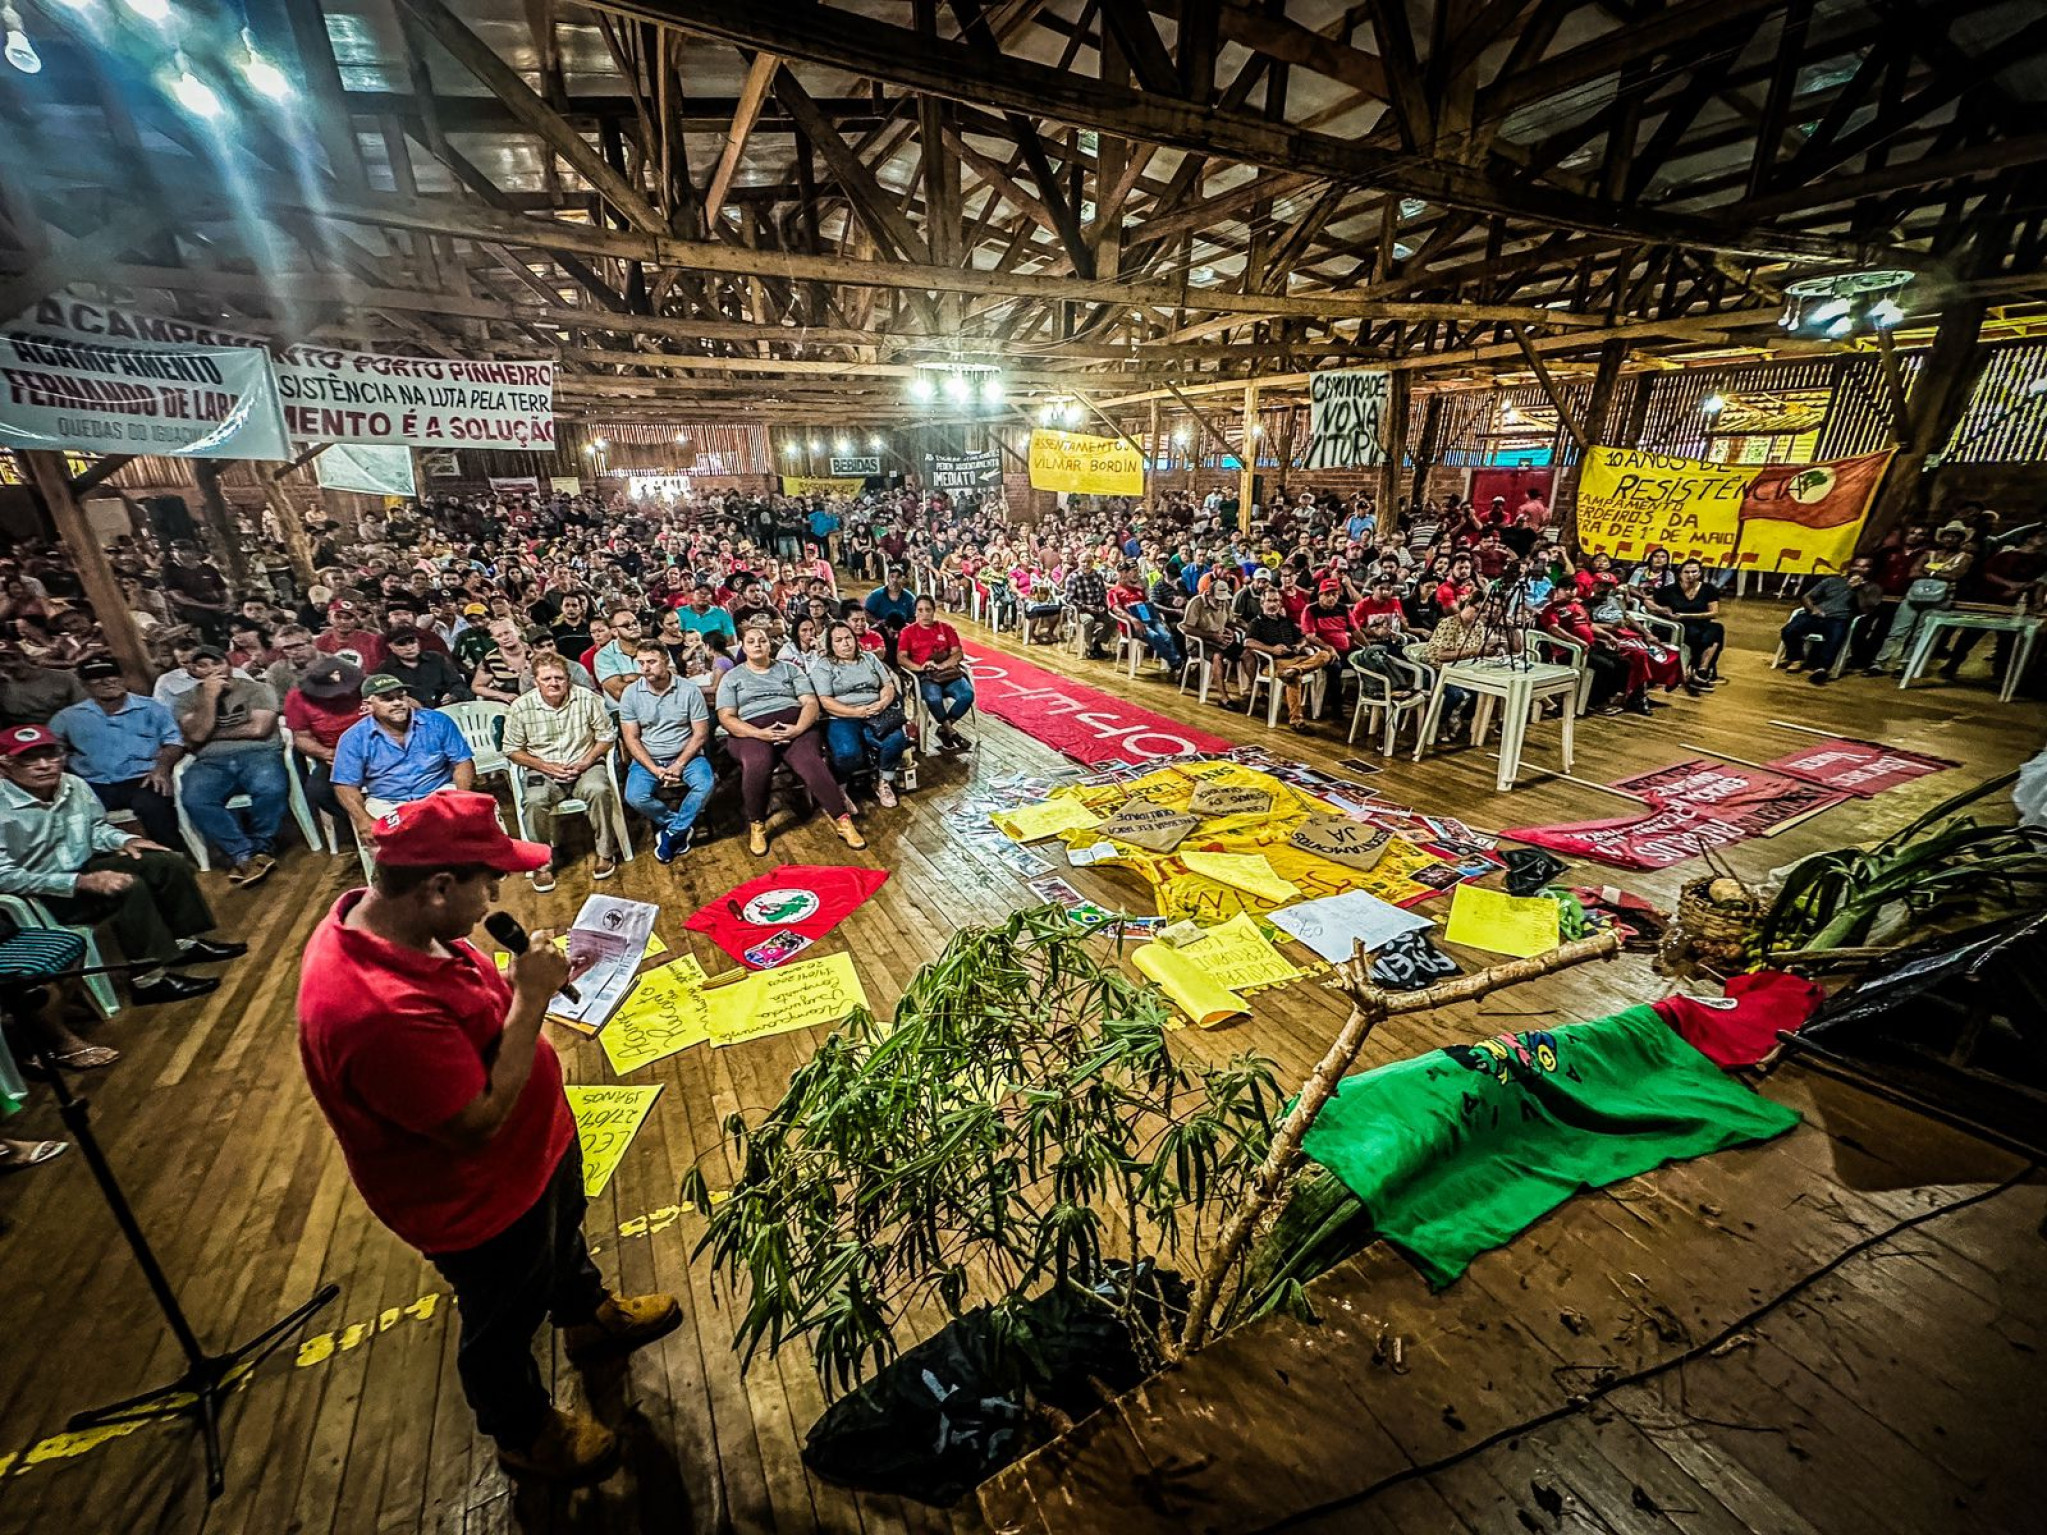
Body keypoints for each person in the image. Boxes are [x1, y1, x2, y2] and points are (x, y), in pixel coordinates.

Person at [296, 792, 680, 1486]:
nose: (496, 895)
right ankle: (523, 1431)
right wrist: (530, 999)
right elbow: (472, 1123)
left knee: (563, 1244)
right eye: (488, 881)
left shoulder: (404, 920)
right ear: (438, 885)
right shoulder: (372, 1007)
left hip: (535, 1154)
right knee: (502, 1321)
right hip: (478, 1199)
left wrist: (511, 991)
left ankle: (589, 1318)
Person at [0, 725, 244, 1005]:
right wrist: (80, 882)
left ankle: (182, 943)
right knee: (126, 886)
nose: (44, 766)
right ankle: (148, 980)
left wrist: (126, 840)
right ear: (5, 765)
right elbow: (4, 876)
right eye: (29, 759)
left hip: (83, 866)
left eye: (51, 755)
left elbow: (95, 829)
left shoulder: (72, 784)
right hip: (43, 893)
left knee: (167, 862)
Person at [715, 626, 865, 856]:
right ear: (743, 647)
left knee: (810, 762)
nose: (757, 645)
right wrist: (759, 734)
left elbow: (810, 703)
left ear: (769, 644)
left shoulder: (789, 670)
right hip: (751, 730)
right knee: (757, 763)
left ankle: (843, 821)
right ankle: (757, 824)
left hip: (794, 724)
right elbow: (726, 717)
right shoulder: (732, 677)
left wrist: (797, 729)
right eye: (752, 641)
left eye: (762, 640)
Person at [502, 656, 622, 892]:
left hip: (584, 764)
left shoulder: (587, 698)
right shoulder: (521, 707)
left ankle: (606, 853)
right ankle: (541, 863)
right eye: (546, 678)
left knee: (599, 789)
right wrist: (546, 766)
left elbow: (607, 736)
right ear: (536, 681)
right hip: (543, 769)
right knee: (534, 801)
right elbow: (511, 749)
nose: (553, 683)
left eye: (559, 678)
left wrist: (585, 762)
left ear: (568, 679)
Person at [174, 647, 287, 886]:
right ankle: (243, 853)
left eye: (216, 663)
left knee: (271, 788)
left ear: (229, 664)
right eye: (202, 666)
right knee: (195, 798)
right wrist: (209, 698)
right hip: (211, 762)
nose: (211, 670)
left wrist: (209, 736)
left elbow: (259, 730)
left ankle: (262, 847)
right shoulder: (185, 700)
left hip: (259, 754)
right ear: (192, 671)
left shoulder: (258, 689)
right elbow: (197, 733)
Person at [50, 656, 186, 848]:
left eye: (113, 676)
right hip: (92, 783)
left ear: (123, 678)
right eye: (96, 678)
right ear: (84, 685)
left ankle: (173, 854)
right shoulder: (67, 717)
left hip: (143, 778)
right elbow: (51, 748)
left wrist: (162, 768)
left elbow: (174, 742)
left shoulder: (152, 707)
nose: (107, 682)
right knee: (73, 815)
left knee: (154, 805)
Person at [330, 675, 477, 842]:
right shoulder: (353, 738)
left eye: (401, 696)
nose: (397, 703)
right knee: (385, 848)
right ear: (368, 705)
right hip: (387, 801)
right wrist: (362, 819)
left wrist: (463, 796)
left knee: (474, 826)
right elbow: (345, 785)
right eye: (387, 699)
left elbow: (463, 762)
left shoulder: (437, 721)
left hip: (438, 791)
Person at [617, 640, 714, 864]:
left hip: (687, 755)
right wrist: (655, 769)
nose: (645, 668)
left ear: (666, 661)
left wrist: (679, 764)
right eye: (640, 663)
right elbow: (631, 738)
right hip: (648, 757)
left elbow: (700, 733)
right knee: (635, 796)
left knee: (705, 784)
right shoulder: (631, 694)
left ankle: (671, 833)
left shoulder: (689, 690)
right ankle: (679, 827)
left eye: (651, 662)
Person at [811, 621, 910, 808]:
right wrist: (855, 711)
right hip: (843, 715)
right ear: (831, 645)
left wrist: (882, 704)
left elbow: (887, 685)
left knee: (896, 739)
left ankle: (884, 781)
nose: (845, 644)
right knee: (848, 753)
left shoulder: (869, 659)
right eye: (838, 640)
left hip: (877, 711)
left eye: (848, 638)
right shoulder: (824, 666)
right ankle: (840, 788)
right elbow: (825, 700)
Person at [284, 657, 366, 829]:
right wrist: (326, 753)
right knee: (318, 791)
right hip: (335, 753)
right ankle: (357, 824)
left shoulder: (366, 683)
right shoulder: (297, 697)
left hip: (380, 746)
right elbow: (301, 737)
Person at [1242, 588, 1337, 731]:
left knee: (1325, 655)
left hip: (1295, 659)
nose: (1273, 604)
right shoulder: (1257, 622)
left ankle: (1294, 670)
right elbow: (1248, 642)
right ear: (1262, 603)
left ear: (1280, 603)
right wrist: (1272, 649)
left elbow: (1303, 638)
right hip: (1274, 663)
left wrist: (1299, 646)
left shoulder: (1285, 621)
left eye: (1276, 601)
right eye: (1269, 600)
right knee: (1294, 678)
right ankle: (1296, 721)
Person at [897, 596, 974, 752]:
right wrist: (920, 668)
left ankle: (945, 728)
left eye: (928, 610)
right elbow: (901, 657)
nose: (924, 614)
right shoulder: (908, 632)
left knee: (967, 695)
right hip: (925, 676)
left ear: (934, 611)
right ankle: (951, 732)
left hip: (947, 673)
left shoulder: (946, 629)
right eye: (920, 610)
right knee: (933, 698)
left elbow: (958, 653)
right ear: (915, 612)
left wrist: (942, 665)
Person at [1780, 565, 1873, 683]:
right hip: (1816, 615)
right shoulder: (1831, 581)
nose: (1859, 570)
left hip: (1839, 619)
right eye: (1857, 566)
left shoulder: (1869, 589)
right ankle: (1796, 659)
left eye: (1864, 567)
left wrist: (1858, 590)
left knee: (1835, 638)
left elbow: (1865, 609)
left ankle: (1822, 669)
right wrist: (1813, 608)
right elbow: (1806, 597)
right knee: (1789, 630)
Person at [1646, 558, 1725, 685]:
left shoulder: (1708, 589)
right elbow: (1648, 600)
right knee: (1701, 635)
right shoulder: (1670, 590)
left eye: (1694, 572)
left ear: (1700, 573)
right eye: (1687, 572)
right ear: (1680, 574)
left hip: (1698, 622)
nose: (1690, 575)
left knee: (1716, 630)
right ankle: (1696, 670)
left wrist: (1686, 616)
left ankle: (1702, 669)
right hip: (1676, 625)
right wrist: (1661, 609)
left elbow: (1714, 613)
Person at [1107, 563, 1183, 673]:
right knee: (1154, 636)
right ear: (1117, 574)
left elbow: (1148, 606)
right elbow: (1117, 610)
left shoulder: (1137, 589)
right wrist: (1133, 620)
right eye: (1121, 572)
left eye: (1126, 572)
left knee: (1167, 636)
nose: (1123, 575)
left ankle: (1175, 663)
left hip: (1148, 618)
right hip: (1132, 624)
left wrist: (1161, 621)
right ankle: (1177, 663)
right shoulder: (1113, 591)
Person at [378, 626, 471, 708]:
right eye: (401, 644)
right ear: (390, 646)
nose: (409, 647)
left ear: (418, 641)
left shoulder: (437, 659)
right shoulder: (385, 669)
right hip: (410, 716)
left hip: (444, 710)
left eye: (412, 642)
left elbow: (458, 684)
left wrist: (454, 695)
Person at [0, 642, 84, 727]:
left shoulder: (64, 679)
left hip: (59, 728)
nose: (8, 665)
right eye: (1, 661)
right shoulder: (3, 684)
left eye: (13, 659)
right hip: (14, 733)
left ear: (26, 658)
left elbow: (83, 709)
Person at [861, 568, 918, 661]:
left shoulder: (910, 598)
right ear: (887, 578)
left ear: (903, 579)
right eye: (892, 576)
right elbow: (866, 612)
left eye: (898, 577)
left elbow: (914, 617)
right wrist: (879, 622)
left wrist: (904, 626)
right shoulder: (876, 595)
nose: (894, 580)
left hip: (903, 631)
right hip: (881, 630)